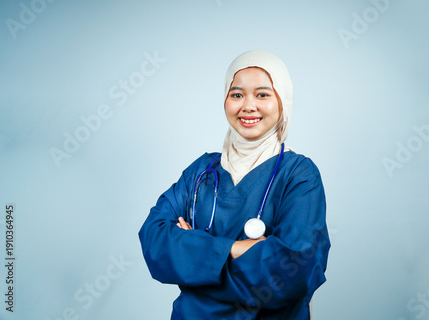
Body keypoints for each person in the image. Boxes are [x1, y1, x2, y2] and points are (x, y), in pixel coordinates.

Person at [139, 50, 330, 319]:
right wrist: (236, 249)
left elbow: (292, 272)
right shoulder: (201, 171)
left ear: (282, 101)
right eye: (237, 94)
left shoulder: (299, 175)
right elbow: (154, 242)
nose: (248, 106)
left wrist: (195, 258)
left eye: (262, 94)